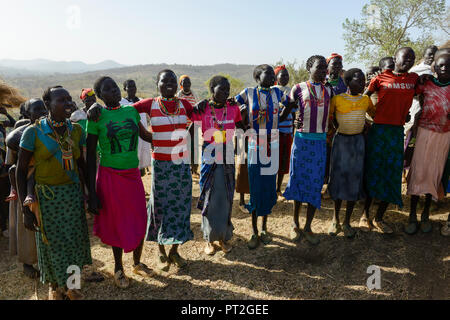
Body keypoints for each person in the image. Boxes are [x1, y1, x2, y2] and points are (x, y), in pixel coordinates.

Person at [17, 86, 91, 300]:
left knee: (75, 245)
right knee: (52, 246)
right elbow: (21, 172)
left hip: (72, 196)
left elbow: (82, 165)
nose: (68, 103)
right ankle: (55, 287)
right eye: (61, 100)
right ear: (48, 105)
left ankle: (73, 286)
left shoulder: (76, 130)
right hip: (47, 200)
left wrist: (90, 194)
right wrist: (26, 209)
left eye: (69, 99)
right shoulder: (33, 132)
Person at [87, 77, 153, 289]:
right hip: (110, 177)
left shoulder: (131, 111)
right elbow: (89, 158)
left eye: (115, 87)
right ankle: (118, 268)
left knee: (140, 218)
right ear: (100, 95)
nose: (114, 91)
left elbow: (146, 136)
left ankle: (136, 262)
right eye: (107, 89)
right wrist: (92, 193)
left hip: (132, 175)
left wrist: (176, 132)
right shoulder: (96, 117)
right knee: (116, 223)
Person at [130, 70, 195, 271]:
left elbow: (202, 117)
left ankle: (175, 251)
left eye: (172, 81)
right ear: (156, 83)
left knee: (181, 206)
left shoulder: (185, 105)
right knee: (159, 206)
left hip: (181, 164)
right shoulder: (150, 104)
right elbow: (126, 112)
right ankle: (160, 250)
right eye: (164, 80)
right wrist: (147, 136)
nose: (169, 83)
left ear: (177, 85)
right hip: (161, 166)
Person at [234, 64, 294, 250]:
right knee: (255, 184)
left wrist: (282, 116)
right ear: (257, 77)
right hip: (254, 142)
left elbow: (291, 103)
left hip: (273, 142)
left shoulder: (278, 93)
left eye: (271, 74)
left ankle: (264, 228)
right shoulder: (249, 92)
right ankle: (253, 230)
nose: (270, 77)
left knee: (268, 185)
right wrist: (243, 123)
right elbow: (234, 103)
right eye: (266, 74)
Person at [361, 47, 420, 234]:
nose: (409, 60)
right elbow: (363, 99)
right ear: (396, 58)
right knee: (374, 172)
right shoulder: (380, 78)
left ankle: (379, 217)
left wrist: (414, 115)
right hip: (378, 131)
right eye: (406, 57)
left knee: (392, 174)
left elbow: (424, 95)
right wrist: (364, 120)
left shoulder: (414, 80)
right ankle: (364, 216)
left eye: (412, 58)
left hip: (396, 132)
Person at [192, 75, 245, 255]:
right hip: (210, 154)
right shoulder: (203, 108)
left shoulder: (232, 107)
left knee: (225, 198)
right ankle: (208, 239)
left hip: (228, 154)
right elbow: (186, 118)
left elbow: (241, 126)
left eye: (227, 89)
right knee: (210, 197)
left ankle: (222, 237)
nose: (225, 92)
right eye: (221, 89)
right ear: (212, 89)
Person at [284, 55, 333, 245]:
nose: (323, 71)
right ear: (309, 68)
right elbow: (286, 110)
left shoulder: (330, 90)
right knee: (298, 179)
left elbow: (333, 113)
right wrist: (293, 118)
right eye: (319, 67)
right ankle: (295, 223)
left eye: (325, 68)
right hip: (302, 141)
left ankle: (308, 226)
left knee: (315, 183)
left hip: (320, 142)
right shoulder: (297, 88)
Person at [327, 69, 376, 238]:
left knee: (354, 180)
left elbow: (374, 115)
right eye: (359, 81)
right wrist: (333, 130)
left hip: (358, 143)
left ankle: (347, 221)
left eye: (364, 81)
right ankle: (335, 219)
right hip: (341, 142)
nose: (363, 84)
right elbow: (330, 118)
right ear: (348, 83)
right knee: (339, 179)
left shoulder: (366, 100)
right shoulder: (337, 99)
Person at [405, 53, 450, 235]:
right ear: (434, 68)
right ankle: (412, 215)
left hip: (444, 135)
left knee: (434, 173)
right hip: (424, 131)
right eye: (441, 66)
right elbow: (410, 91)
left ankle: (425, 214)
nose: (445, 69)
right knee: (418, 171)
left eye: (448, 66)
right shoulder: (426, 83)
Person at [6, 99, 47, 279]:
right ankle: (28, 263)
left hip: (46, 184)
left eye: (43, 108)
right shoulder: (18, 135)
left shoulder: (51, 130)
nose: (41, 112)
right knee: (27, 228)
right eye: (35, 109)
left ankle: (47, 261)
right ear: (27, 114)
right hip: (24, 185)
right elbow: (11, 165)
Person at [403, 46, 439, 174]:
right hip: (415, 108)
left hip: (432, 114)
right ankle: (404, 171)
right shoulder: (415, 71)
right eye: (428, 54)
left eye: (433, 55)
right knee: (408, 139)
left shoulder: (440, 69)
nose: (431, 57)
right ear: (423, 55)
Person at [120, 79, 152, 176]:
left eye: (134, 86)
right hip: (129, 136)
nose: (132, 88)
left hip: (143, 135)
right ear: (125, 89)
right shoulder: (121, 102)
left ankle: (140, 187)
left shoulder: (142, 101)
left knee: (141, 160)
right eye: (129, 86)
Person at [273, 65, 295, 199]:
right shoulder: (273, 90)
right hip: (275, 132)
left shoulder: (291, 90)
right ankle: (271, 188)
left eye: (287, 75)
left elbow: (294, 109)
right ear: (276, 77)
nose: (285, 78)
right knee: (274, 160)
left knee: (283, 161)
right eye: (283, 75)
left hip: (288, 131)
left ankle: (278, 189)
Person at [177, 75, 200, 178]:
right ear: (181, 85)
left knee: (194, 148)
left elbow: (198, 109)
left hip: (193, 126)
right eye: (184, 83)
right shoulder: (178, 96)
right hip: (182, 127)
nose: (187, 85)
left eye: (188, 82)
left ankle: (194, 169)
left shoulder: (195, 95)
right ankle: (184, 169)